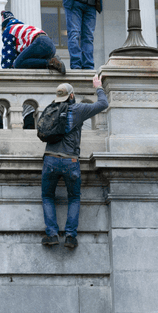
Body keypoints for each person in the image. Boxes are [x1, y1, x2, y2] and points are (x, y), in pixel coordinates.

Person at [39, 76, 108, 249]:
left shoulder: (51, 108)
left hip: (50, 158)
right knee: (74, 197)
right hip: (70, 160)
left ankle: (52, 234)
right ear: (71, 96)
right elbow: (103, 104)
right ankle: (70, 236)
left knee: (47, 196)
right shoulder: (78, 109)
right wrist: (98, 87)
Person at [1, 10, 66, 72]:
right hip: (50, 45)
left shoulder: (9, 29)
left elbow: (8, 53)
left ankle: (51, 63)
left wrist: (7, 69)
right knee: (30, 63)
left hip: (40, 42)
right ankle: (54, 62)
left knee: (18, 63)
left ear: (4, 27)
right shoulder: (23, 27)